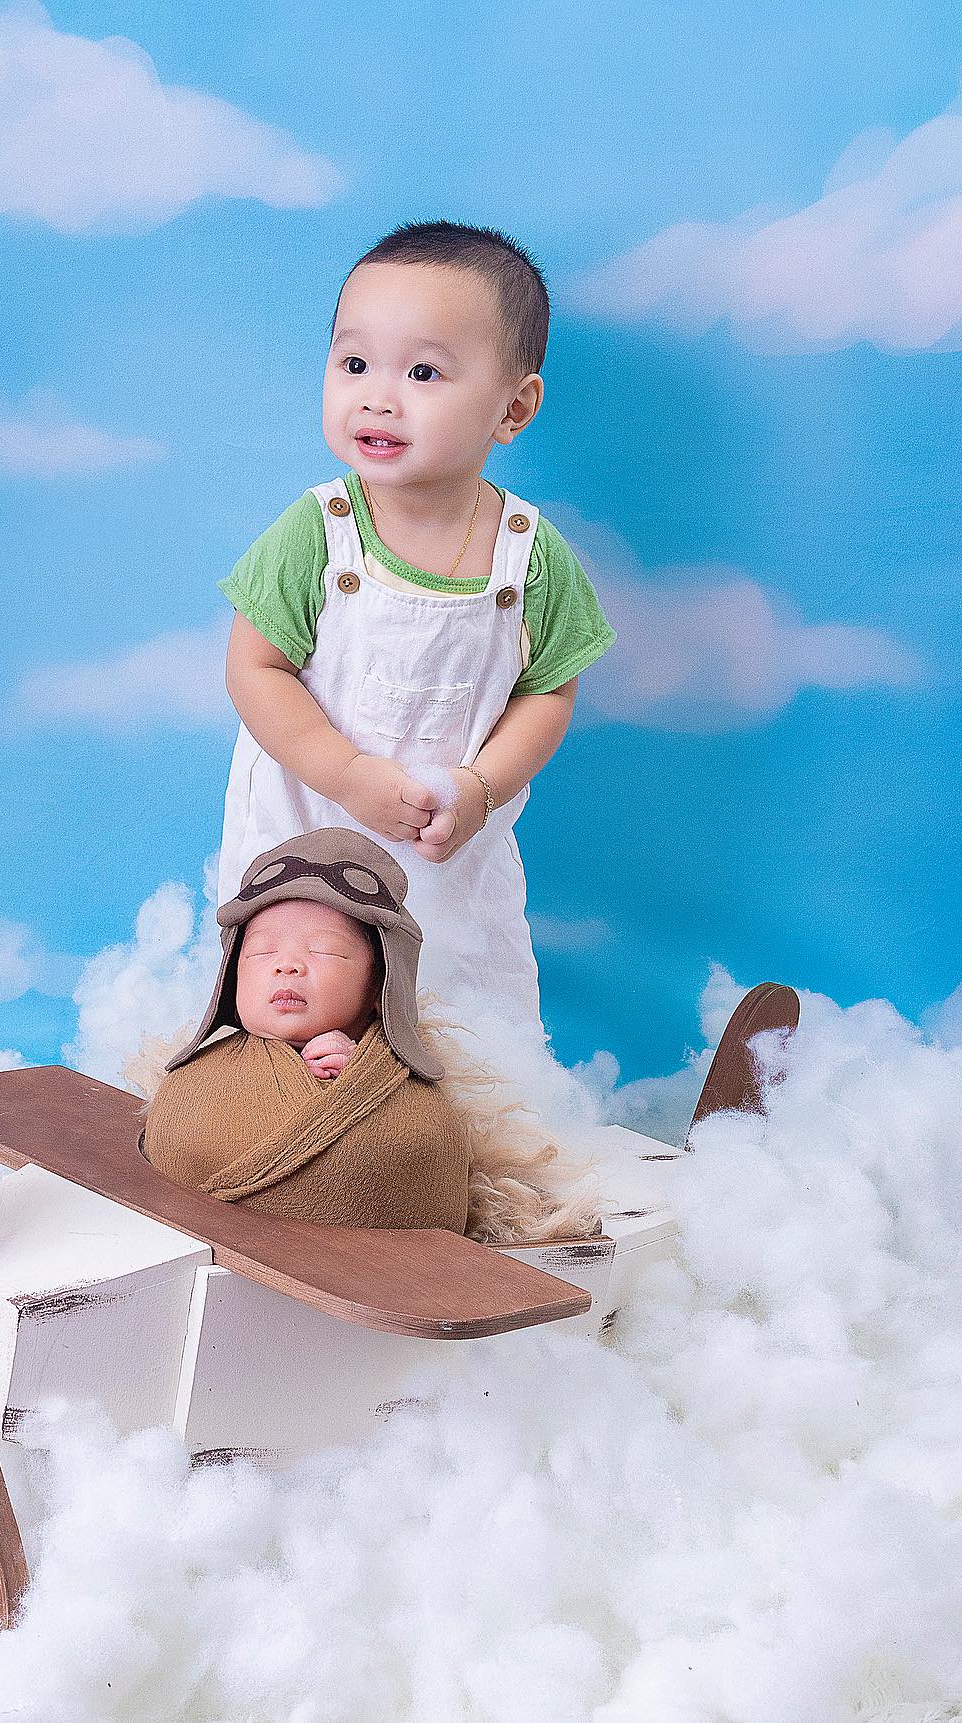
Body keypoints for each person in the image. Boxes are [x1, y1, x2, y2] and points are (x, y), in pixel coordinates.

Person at [217, 220, 617, 1046]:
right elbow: (254, 668)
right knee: (291, 1014)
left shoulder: (529, 555)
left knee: (463, 1030)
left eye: (423, 371)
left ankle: (450, 1147)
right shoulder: (318, 533)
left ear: (514, 407)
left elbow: (548, 692)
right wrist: (349, 772)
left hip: (450, 856)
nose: (376, 396)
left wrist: (481, 789)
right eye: (354, 363)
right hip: (310, 834)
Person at [136, 828, 603, 1243]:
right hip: (208, 1226)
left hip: (363, 1252)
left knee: (397, 1144)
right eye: (262, 951)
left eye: (322, 950)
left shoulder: (387, 1076)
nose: (287, 964)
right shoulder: (199, 1079)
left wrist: (354, 1070)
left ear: (379, 983)